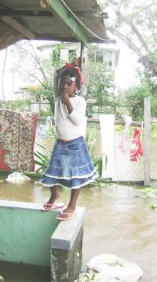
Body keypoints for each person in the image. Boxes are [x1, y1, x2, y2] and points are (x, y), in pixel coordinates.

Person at [39, 58, 97, 220]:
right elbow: (56, 75)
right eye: (62, 84)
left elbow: (77, 120)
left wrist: (68, 103)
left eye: (68, 84)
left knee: (75, 177)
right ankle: (54, 195)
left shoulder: (79, 101)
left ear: (76, 87)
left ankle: (72, 205)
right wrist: (70, 65)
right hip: (60, 143)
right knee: (52, 172)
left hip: (75, 145)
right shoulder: (57, 98)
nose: (64, 87)